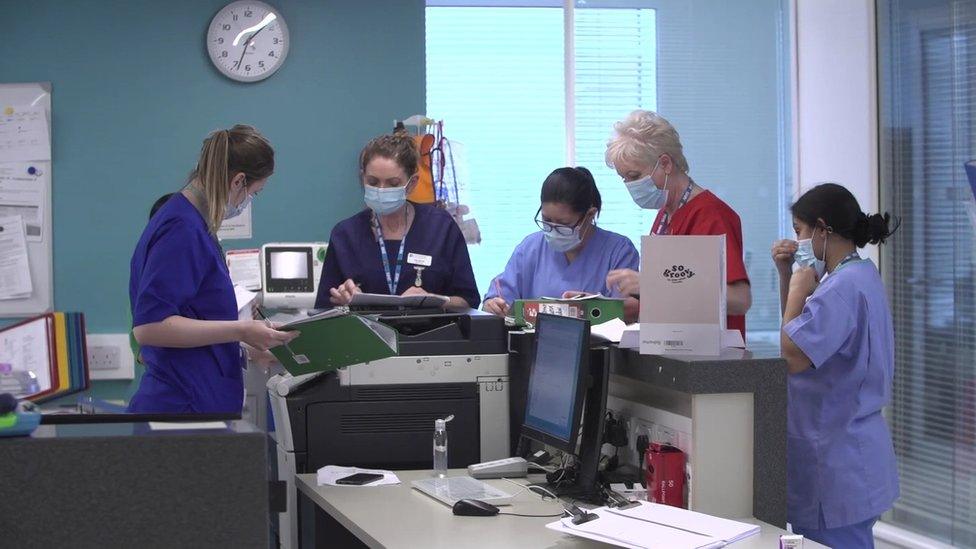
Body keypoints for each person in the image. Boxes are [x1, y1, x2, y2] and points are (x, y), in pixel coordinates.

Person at [128, 125, 296, 413]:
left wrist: (248, 347)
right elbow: (150, 328)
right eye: (256, 192)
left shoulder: (192, 223)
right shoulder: (181, 229)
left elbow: (196, 320)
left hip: (198, 401)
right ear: (238, 181)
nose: (249, 201)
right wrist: (243, 330)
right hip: (180, 408)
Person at [771, 183, 899, 548]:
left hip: (835, 459)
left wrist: (797, 287)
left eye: (800, 232)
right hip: (851, 450)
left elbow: (791, 355)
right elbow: (797, 333)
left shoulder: (841, 288)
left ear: (822, 229)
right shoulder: (858, 275)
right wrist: (787, 277)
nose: (796, 242)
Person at [603, 110, 751, 336]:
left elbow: (739, 300)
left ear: (665, 164)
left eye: (634, 176)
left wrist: (653, 285)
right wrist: (599, 308)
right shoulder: (665, 216)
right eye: (624, 178)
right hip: (672, 351)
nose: (630, 186)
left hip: (710, 360)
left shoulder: (710, 215)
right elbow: (673, 299)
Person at [314, 131, 479, 310]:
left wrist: (433, 300)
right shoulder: (346, 234)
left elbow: (468, 301)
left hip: (428, 335)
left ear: (412, 183)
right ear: (363, 178)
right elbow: (324, 307)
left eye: (393, 183)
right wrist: (344, 298)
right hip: (366, 335)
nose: (381, 190)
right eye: (373, 181)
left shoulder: (440, 228)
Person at [482, 167, 639, 319]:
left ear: (590, 215)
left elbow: (632, 309)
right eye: (547, 221)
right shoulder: (531, 248)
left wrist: (593, 307)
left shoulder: (618, 250)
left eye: (563, 223)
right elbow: (501, 295)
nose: (553, 230)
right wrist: (492, 305)